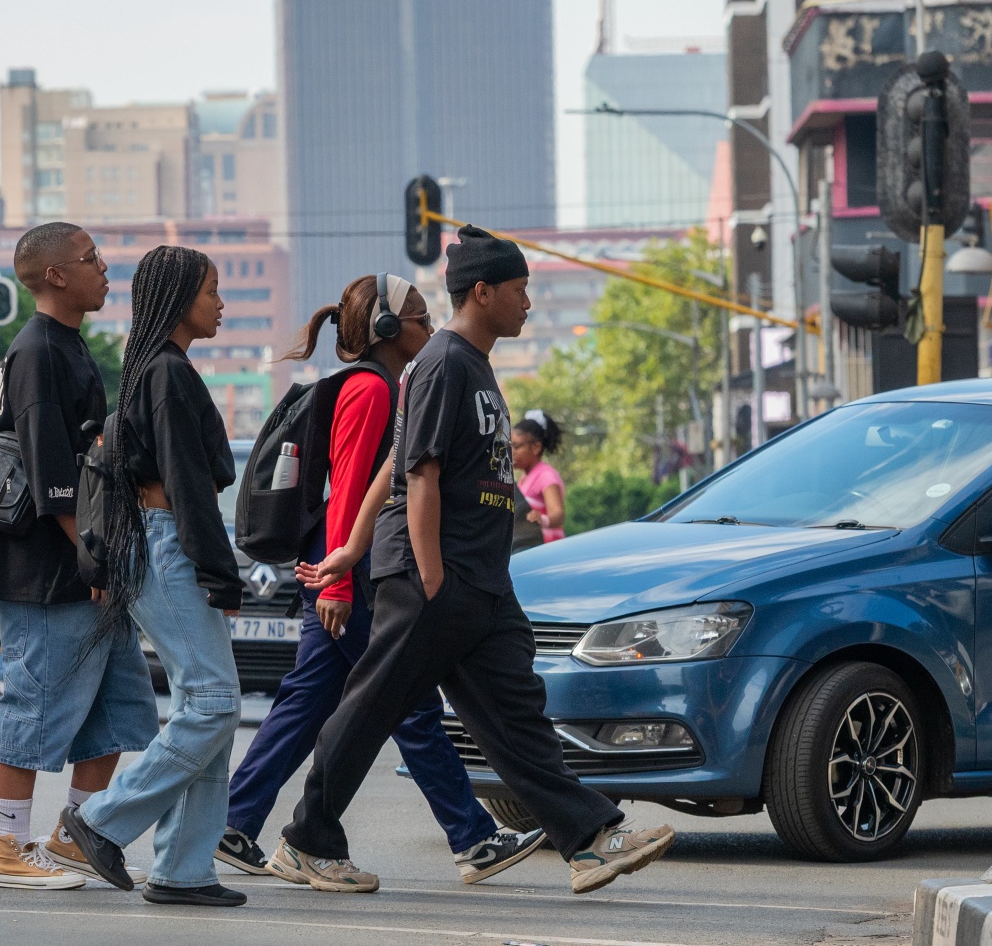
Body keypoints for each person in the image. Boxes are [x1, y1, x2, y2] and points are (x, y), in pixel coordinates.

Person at [273, 227, 675, 895]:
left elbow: (396, 464)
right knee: (373, 705)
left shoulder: (471, 365)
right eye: (520, 290)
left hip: (479, 576)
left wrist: (352, 544)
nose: (528, 304)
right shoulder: (445, 361)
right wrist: (430, 576)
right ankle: (308, 838)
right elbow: (420, 473)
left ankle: (590, 840)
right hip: (439, 573)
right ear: (483, 291)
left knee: (515, 711)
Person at [217, 275, 546, 886]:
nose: (430, 326)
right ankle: (471, 837)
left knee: (312, 699)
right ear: (389, 330)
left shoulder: (393, 386)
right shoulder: (371, 391)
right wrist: (338, 586)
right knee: (409, 703)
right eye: (419, 318)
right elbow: (347, 490)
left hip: (346, 565)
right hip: (350, 570)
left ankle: (233, 824)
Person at [57, 247, 249, 908]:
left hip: (160, 546)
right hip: (168, 548)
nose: (221, 303)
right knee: (216, 705)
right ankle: (101, 819)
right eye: (213, 290)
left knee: (210, 708)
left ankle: (183, 869)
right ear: (179, 298)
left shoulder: (160, 369)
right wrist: (221, 575)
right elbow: (190, 487)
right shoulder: (167, 374)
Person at [0, 223, 158, 890]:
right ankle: (7, 843)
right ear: (55, 274)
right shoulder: (39, 351)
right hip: (46, 563)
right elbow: (52, 472)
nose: (105, 268)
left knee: (116, 706)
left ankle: (73, 834)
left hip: (80, 558)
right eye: (90, 260)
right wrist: (95, 559)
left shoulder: (67, 345)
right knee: (36, 698)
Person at [511, 410, 567, 550]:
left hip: (548, 550)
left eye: (517, 446)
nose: (511, 452)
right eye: (510, 446)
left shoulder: (546, 475)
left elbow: (558, 514)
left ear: (536, 447)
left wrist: (542, 519)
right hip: (531, 548)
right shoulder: (525, 478)